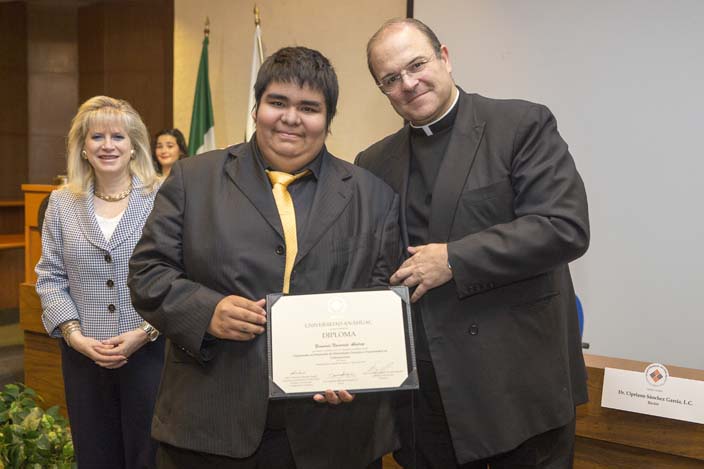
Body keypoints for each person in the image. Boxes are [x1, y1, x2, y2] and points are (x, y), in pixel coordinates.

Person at [128, 46, 401, 469]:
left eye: (309, 108)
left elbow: (382, 296)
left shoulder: (373, 195)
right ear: (257, 108)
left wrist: (357, 369)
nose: (291, 118)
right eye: (278, 102)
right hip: (210, 426)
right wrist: (207, 311)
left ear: (328, 120)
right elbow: (147, 273)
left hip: (333, 433)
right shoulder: (193, 179)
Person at [356, 18, 590, 469]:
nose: (408, 83)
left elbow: (563, 226)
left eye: (417, 64)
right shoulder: (373, 161)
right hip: (427, 401)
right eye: (390, 79)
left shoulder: (520, 124)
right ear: (382, 90)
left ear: (444, 57)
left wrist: (454, 259)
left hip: (518, 391)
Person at [35, 95, 165, 468]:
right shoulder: (60, 203)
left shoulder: (163, 197)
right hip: (83, 355)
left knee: (149, 454)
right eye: (97, 137)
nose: (108, 145)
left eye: (118, 137)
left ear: (135, 146)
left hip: (149, 352)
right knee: (95, 454)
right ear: (83, 148)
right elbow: (50, 275)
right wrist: (74, 336)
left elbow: (180, 272)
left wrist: (145, 332)